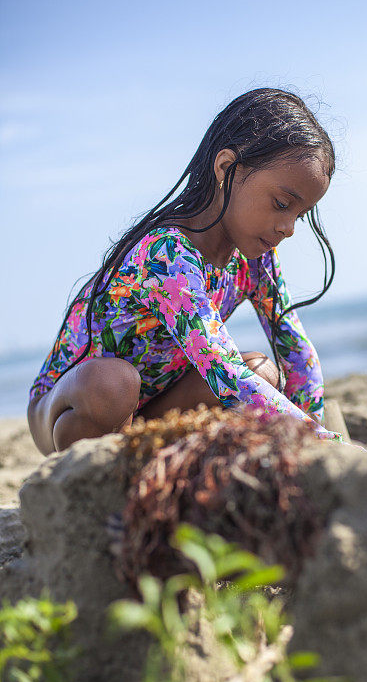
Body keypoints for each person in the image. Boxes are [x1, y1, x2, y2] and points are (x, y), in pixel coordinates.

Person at [27, 88, 350, 456]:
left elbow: (296, 352)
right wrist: (328, 443)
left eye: (300, 214)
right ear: (226, 169)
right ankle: (96, 477)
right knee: (113, 383)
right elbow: (222, 369)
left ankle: (143, 459)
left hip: (152, 406)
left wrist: (318, 451)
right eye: (281, 204)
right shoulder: (167, 253)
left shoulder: (257, 261)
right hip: (70, 407)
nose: (289, 227)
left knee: (261, 372)